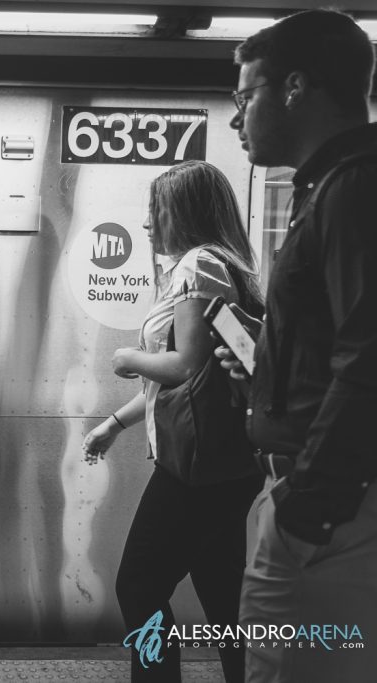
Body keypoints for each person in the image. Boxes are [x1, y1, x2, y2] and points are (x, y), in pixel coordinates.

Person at [217, 10, 377, 682]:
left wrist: (304, 507)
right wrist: (267, 359)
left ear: (294, 88)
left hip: (328, 517)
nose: (236, 119)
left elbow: (369, 355)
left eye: (244, 96)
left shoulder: (353, 189)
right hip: (320, 503)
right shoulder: (330, 187)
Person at [82, 160, 264, 682]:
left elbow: (187, 366)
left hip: (196, 470)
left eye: (155, 209)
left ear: (184, 212)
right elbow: (196, 382)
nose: (146, 222)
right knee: (222, 591)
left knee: (138, 585)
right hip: (225, 463)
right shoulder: (225, 265)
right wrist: (116, 424)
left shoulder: (199, 265)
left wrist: (128, 358)